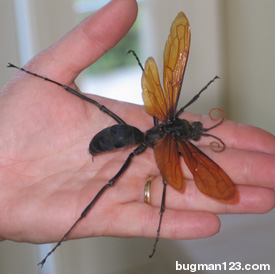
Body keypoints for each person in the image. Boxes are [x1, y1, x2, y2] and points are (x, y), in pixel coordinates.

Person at [0, 0, 274, 248]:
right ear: (186, 135)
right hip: (123, 137)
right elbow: (171, 166)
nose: (194, 131)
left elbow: (171, 164)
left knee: (121, 177)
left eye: (194, 131)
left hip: (127, 135)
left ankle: (74, 225)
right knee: (123, 175)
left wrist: (147, 70)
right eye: (193, 131)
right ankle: (40, 77)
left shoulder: (168, 120)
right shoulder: (176, 142)